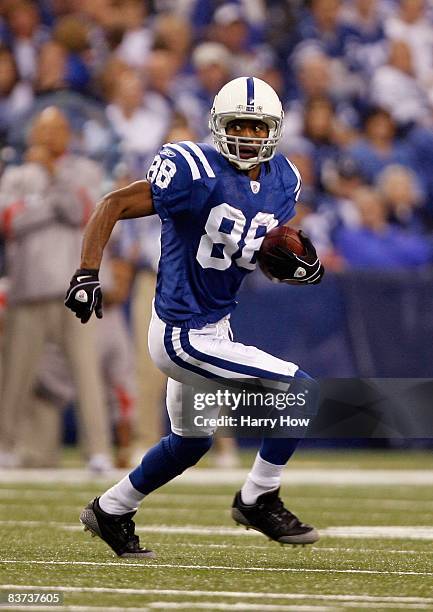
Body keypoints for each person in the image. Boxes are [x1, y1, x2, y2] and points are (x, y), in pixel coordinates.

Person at [65, 77, 324, 558]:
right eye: (238, 125)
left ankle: (111, 509)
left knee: (191, 441)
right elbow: (113, 203)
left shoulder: (284, 180)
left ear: (275, 130)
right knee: (301, 390)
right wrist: (86, 273)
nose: (248, 136)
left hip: (216, 326)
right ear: (218, 126)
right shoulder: (191, 169)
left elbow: (255, 249)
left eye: (257, 126)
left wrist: (292, 265)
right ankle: (258, 496)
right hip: (182, 332)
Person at [0, 106, 112, 471]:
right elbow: (10, 221)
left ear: (69, 134)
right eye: (44, 129)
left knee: (87, 373)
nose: (50, 136)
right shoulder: (16, 174)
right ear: (33, 133)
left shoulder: (85, 170)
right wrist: (49, 204)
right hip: (29, 287)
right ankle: (6, 446)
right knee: (15, 375)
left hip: (74, 287)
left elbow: (81, 211)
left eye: (58, 128)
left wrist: (48, 185)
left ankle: (97, 451)